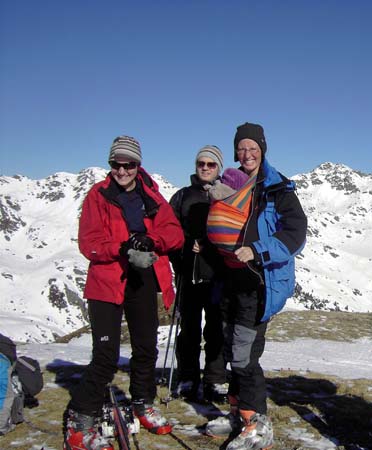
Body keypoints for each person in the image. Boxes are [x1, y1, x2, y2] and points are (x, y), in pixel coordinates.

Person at [65, 136, 184, 450]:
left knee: (146, 347)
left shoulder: (151, 196)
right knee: (105, 356)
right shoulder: (98, 195)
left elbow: (174, 234)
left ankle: (142, 402)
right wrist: (120, 247)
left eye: (128, 164)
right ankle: (80, 419)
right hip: (107, 281)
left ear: (138, 166)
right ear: (110, 165)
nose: (122, 170)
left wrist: (150, 240)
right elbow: (88, 243)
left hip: (142, 278)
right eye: (116, 164)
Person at [204, 123, 307, 450]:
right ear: (236, 152)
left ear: (262, 149)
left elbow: (295, 232)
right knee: (229, 346)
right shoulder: (231, 184)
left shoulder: (277, 189)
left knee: (244, 355)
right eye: (242, 148)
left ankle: (258, 423)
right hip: (229, 282)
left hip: (258, 284)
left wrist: (260, 249)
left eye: (253, 147)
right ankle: (238, 414)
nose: (247, 154)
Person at [168, 145, 229, 402]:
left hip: (218, 275)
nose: (205, 168)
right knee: (189, 330)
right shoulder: (182, 197)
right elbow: (168, 235)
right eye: (201, 164)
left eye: (210, 164)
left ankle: (215, 380)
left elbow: (234, 234)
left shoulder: (226, 197)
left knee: (216, 330)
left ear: (218, 168)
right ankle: (188, 377)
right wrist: (184, 250)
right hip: (188, 273)